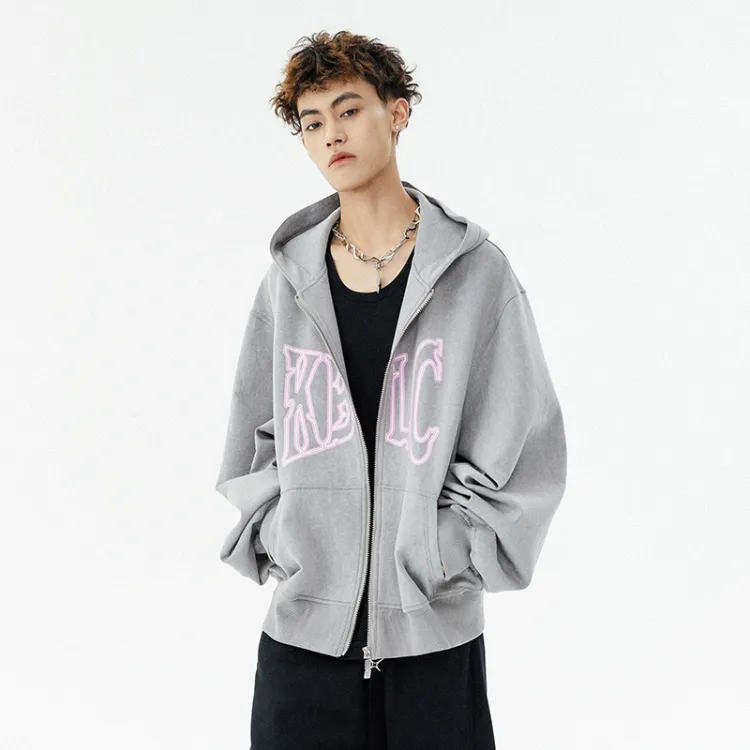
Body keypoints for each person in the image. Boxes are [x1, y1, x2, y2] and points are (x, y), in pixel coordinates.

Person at [214, 30, 567, 750]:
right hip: (303, 647)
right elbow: (254, 440)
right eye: (312, 122)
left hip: (432, 643)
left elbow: (524, 439)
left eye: (349, 110)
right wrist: (287, 537)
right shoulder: (289, 282)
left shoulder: (475, 274)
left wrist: (443, 551)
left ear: (398, 112)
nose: (331, 135)